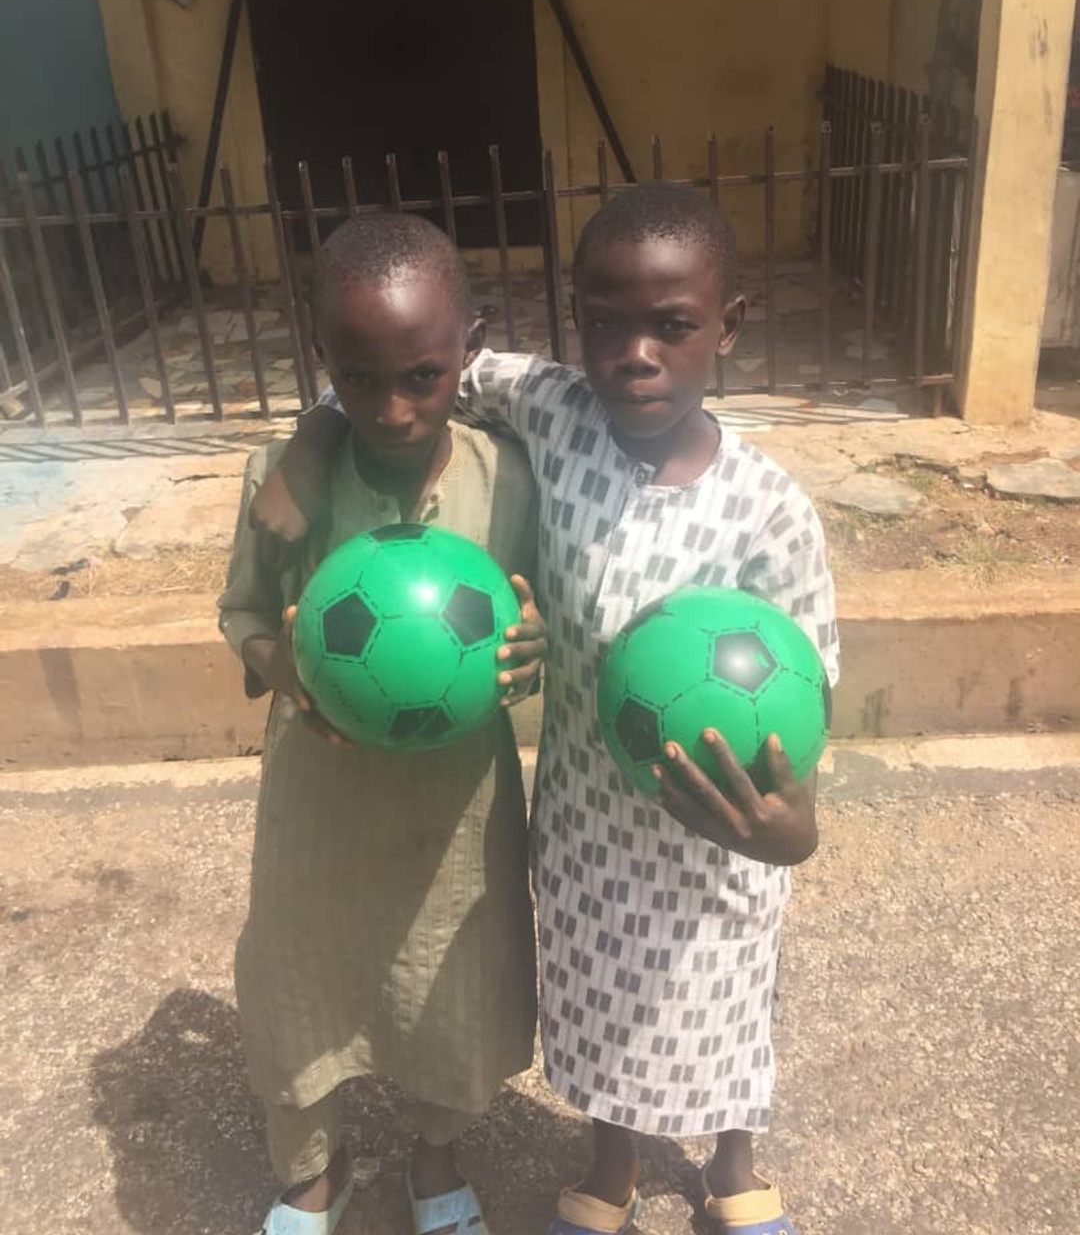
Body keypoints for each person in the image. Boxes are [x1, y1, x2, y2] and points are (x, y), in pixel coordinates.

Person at [253, 184, 839, 1235]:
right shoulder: (554, 412)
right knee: (605, 995)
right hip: (588, 822)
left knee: (728, 980)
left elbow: (809, 686)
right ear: (576, 324)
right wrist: (311, 434)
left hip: (714, 825)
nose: (635, 355)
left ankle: (734, 1166)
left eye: (673, 325)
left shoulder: (770, 509)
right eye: (605, 323)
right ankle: (610, 1170)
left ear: (730, 326)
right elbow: (406, 358)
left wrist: (794, 826)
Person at [220, 213, 546, 1235]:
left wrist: (535, 651)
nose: (393, 408)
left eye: (423, 376)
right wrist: (281, 667)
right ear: (324, 361)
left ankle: (435, 1160)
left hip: (456, 808)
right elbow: (240, 615)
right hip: (318, 804)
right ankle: (311, 1174)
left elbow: (538, 622)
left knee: (451, 983)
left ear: (467, 350)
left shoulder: (508, 479)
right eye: (358, 381)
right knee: (298, 978)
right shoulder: (283, 481)